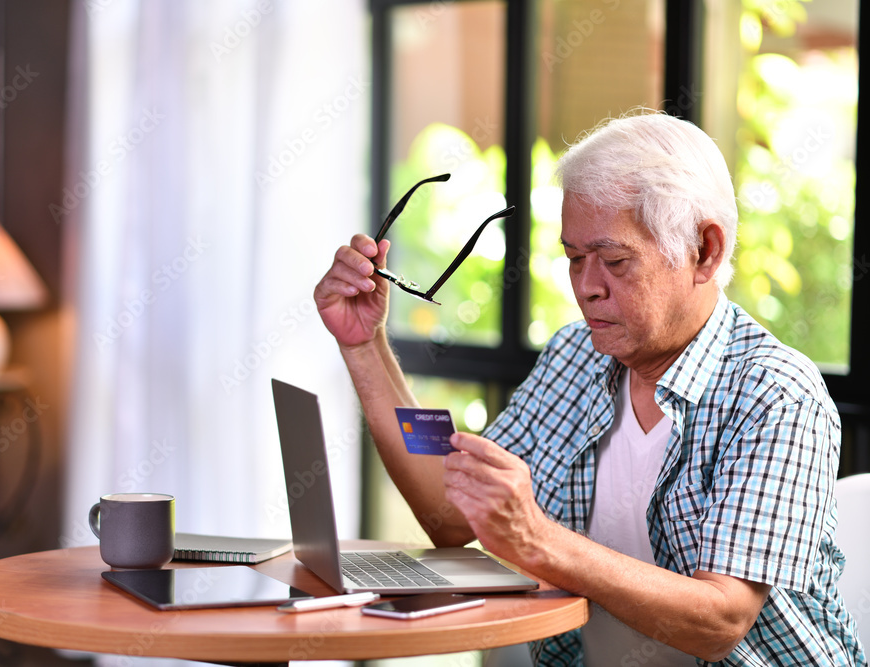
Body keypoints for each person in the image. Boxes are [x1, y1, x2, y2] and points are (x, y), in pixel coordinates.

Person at [314, 111, 866, 666]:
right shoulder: (575, 355)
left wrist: (536, 539)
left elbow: (720, 622)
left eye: (616, 261)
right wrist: (365, 348)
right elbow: (448, 513)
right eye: (575, 259)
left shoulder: (775, 394)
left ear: (705, 251)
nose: (586, 288)